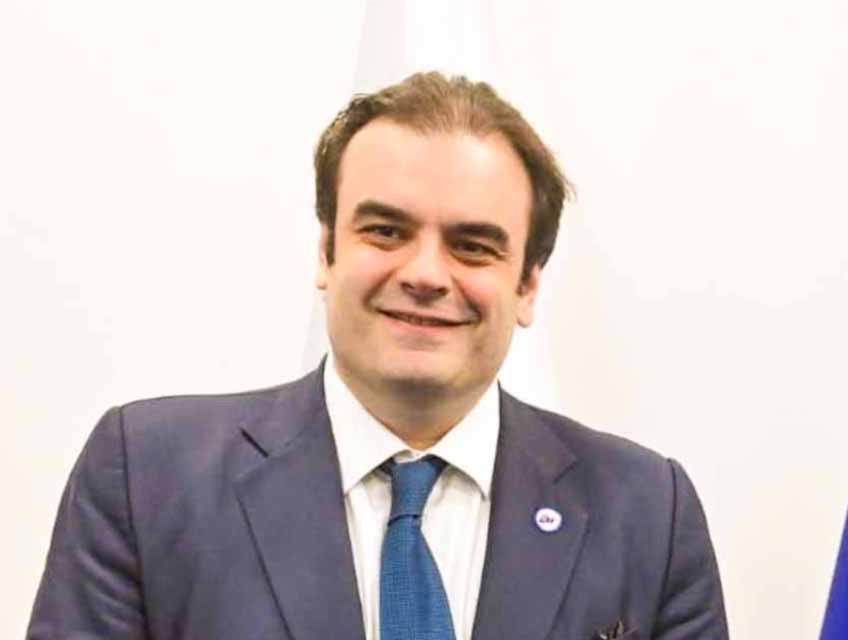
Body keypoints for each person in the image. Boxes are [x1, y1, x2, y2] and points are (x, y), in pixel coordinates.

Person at [28, 72, 728, 640]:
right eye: (386, 231)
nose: (425, 274)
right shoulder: (148, 476)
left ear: (527, 286)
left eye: (472, 246)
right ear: (326, 252)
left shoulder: (647, 512)